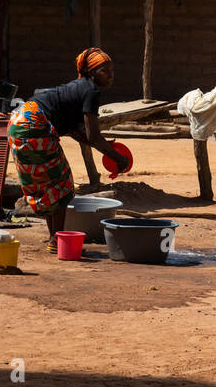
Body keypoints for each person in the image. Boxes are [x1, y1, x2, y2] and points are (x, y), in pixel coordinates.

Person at [8, 48, 129, 254]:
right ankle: (57, 239)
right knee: (61, 184)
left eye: (112, 71)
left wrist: (105, 146)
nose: (110, 75)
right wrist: (119, 158)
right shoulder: (91, 91)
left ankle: (54, 239)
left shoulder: (78, 87)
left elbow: (75, 131)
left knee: (48, 183)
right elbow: (93, 137)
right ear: (91, 72)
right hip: (34, 123)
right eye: (104, 71)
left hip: (18, 120)